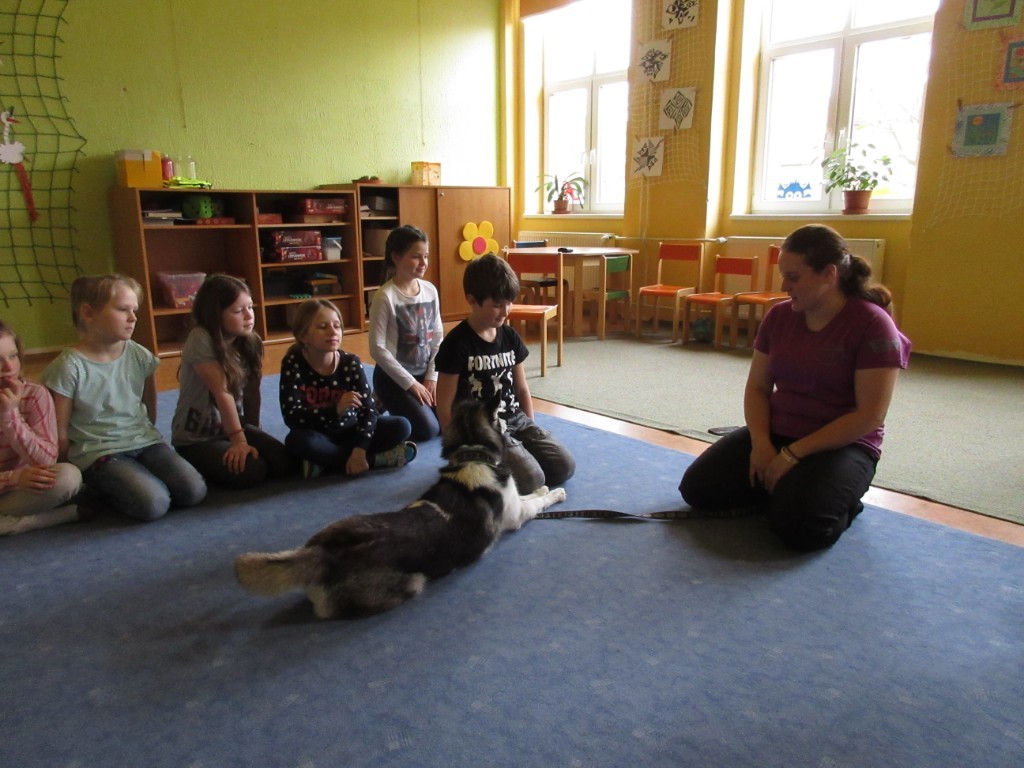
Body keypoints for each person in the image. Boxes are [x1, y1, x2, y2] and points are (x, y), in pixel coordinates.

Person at [679, 224, 911, 551]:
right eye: (783, 276)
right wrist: (761, 444)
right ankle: (787, 491)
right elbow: (758, 388)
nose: (783, 286)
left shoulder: (873, 324)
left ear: (829, 274)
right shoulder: (779, 316)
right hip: (780, 430)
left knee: (801, 529)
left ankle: (838, 502)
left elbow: (870, 415)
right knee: (698, 490)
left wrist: (792, 455)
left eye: (793, 277)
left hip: (842, 445)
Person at [43, 275, 207, 522]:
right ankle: (96, 487)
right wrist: (71, 473)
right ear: (88, 313)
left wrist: (149, 436)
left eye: (134, 310)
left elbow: (149, 405)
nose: (133, 318)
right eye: (122, 310)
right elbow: (60, 431)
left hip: (144, 441)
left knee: (194, 490)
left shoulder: (139, 355)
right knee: (154, 503)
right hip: (99, 452)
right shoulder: (69, 367)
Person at [434, 253, 575, 494]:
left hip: (514, 419)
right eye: (497, 304)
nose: (506, 310)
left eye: (509, 302)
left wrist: (530, 428)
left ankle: (512, 457)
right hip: (483, 430)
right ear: (472, 300)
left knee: (564, 467)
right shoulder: (456, 344)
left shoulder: (510, 337)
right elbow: (444, 403)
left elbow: (521, 389)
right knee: (532, 481)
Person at [172, 274, 295, 488]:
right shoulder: (201, 338)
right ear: (215, 315)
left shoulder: (249, 340)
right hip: (198, 438)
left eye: (250, 307)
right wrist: (239, 442)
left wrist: (254, 431)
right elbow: (222, 391)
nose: (249, 316)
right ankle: (193, 463)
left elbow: (252, 391)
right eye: (238, 311)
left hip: (232, 426)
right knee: (252, 471)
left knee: (283, 462)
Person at [279, 299, 415, 478]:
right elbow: (292, 417)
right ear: (303, 336)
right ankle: (376, 460)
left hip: (351, 432)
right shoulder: (293, 363)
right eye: (323, 327)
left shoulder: (350, 363)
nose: (333, 332)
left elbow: (368, 411)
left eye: (337, 326)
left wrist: (360, 449)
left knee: (402, 426)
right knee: (296, 440)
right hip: (317, 434)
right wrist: (334, 410)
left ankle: (327, 464)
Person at [0, 319, 83, 535]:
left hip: (21, 489)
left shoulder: (35, 394)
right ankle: (33, 521)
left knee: (68, 477)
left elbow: (46, 460)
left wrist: (10, 416)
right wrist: (13, 479)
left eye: (13, 356)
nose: (9, 367)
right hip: (13, 482)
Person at [368, 225, 444, 442]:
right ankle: (381, 400)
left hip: (424, 374)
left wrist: (431, 377)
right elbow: (377, 349)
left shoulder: (430, 290)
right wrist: (411, 384)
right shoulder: (385, 296)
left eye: (426, 256)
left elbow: (438, 336)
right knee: (429, 429)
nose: (423, 263)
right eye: (416, 257)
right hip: (394, 378)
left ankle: (388, 403)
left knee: (450, 418)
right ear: (396, 257)